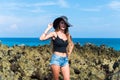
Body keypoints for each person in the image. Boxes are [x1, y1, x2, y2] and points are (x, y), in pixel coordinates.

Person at [40, 16, 74, 80]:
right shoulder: (54, 34)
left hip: (65, 60)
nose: (63, 25)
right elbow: (41, 38)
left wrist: (69, 54)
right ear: (59, 24)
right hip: (56, 59)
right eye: (62, 23)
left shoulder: (67, 35)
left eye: (65, 24)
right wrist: (48, 28)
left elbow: (72, 44)